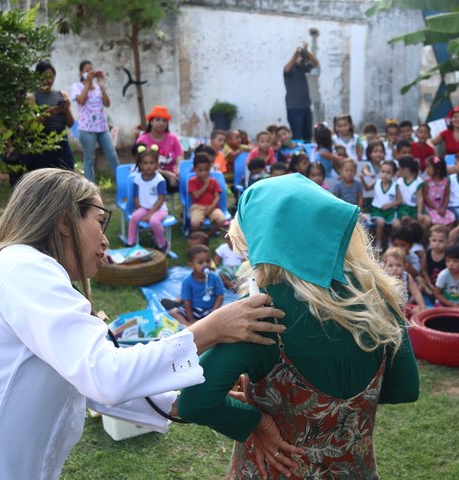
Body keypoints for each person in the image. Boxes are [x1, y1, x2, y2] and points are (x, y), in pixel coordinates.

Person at [0, 168, 287, 479]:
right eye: (101, 221)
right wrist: (211, 328)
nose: (105, 240)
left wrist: (191, 401)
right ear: (65, 220)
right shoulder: (26, 271)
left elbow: (96, 388)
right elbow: (105, 376)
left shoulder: (26, 276)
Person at [177, 173, 419, 479]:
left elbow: (193, 402)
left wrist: (255, 421)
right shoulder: (377, 298)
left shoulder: (262, 314)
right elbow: (405, 388)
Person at [71, 60, 120, 182]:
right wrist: (87, 83)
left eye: (91, 70)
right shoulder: (76, 87)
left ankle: (122, 186)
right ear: (81, 72)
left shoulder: (98, 87)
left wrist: (102, 86)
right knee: (89, 159)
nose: (90, 72)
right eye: (87, 70)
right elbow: (81, 101)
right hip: (86, 129)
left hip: (102, 128)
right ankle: (90, 190)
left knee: (113, 156)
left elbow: (107, 104)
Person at [25, 61, 75, 172]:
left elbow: (71, 123)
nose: (49, 81)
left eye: (52, 77)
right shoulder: (32, 97)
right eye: (46, 77)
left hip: (61, 139)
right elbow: (31, 126)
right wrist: (48, 114)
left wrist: (66, 109)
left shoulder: (61, 95)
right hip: (41, 141)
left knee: (68, 170)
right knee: (44, 174)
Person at [169, 245, 225, 327]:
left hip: (210, 311)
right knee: (173, 312)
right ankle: (188, 325)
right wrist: (191, 318)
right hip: (194, 310)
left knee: (226, 314)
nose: (205, 265)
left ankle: (202, 324)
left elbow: (220, 296)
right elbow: (187, 301)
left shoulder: (215, 277)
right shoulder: (187, 281)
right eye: (200, 262)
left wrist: (214, 312)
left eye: (208, 261)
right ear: (191, 265)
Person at [127, 145, 168, 251]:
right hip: (145, 208)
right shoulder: (137, 179)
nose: (148, 166)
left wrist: (150, 213)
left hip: (159, 209)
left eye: (151, 163)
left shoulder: (160, 180)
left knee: (153, 221)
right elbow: (135, 196)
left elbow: (161, 200)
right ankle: (131, 242)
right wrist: (139, 208)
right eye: (145, 163)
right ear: (140, 165)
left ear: (156, 165)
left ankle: (162, 243)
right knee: (134, 217)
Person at [135, 105, 184, 193]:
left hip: (172, 176)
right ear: (151, 122)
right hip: (149, 175)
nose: (161, 123)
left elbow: (179, 159)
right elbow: (141, 164)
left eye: (164, 121)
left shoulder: (173, 139)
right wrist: (166, 174)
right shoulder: (142, 140)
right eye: (158, 120)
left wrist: (179, 173)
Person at [283, 42, 319, 143]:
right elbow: (287, 69)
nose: (301, 59)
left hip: (306, 106)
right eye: (300, 58)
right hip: (294, 107)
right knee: (297, 135)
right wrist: (296, 54)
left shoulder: (302, 68)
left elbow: (315, 63)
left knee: (308, 134)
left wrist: (306, 51)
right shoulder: (290, 69)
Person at [365, 160, 401, 251]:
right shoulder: (377, 182)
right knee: (380, 222)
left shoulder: (395, 185)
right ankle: (378, 242)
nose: (385, 174)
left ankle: (391, 242)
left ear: (393, 174)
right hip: (377, 210)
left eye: (388, 173)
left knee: (397, 224)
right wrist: (363, 178)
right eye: (383, 171)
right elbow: (367, 188)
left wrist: (390, 205)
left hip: (390, 211)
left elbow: (399, 200)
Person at [188, 152, 227, 237]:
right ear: (195, 169)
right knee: (195, 224)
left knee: (223, 221)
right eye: (200, 170)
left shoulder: (214, 181)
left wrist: (212, 207)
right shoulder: (192, 181)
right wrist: (206, 184)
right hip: (197, 207)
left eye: (206, 170)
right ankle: (197, 237)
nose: (204, 173)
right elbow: (196, 196)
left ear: (210, 168)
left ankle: (208, 235)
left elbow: (217, 197)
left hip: (212, 207)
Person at [382, 247, 426, 318]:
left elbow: (416, 293)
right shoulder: (384, 277)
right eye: (390, 266)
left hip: (404, 308)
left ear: (405, 266)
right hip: (388, 309)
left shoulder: (407, 276)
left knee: (417, 309)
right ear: (385, 266)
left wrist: (423, 307)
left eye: (398, 265)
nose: (395, 269)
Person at [422, 155, 456, 225]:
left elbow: (446, 195)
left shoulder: (446, 181)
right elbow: (425, 196)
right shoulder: (427, 181)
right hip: (430, 208)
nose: (426, 170)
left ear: (437, 169)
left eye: (429, 167)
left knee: (450, 218)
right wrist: (435, 208)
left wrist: (443, 207)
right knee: (435, 220)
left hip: (441, 208)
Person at [421, 224, 448, 298]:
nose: (437, 244)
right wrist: (429, 284)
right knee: (420, 280)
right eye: (434, 240)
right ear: (429, 240)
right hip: (431, 284)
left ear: (446, 241)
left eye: (441, 241)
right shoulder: (427, 254)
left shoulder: (448, 255)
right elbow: (424, 271)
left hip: (444, 286)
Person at [396, 156, 424, 223]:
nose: (398, 171)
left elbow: (420, 198)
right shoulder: (399, 182)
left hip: (415, 208)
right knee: (406, 220)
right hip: (403, 208)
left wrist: (419, 213)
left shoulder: (418, 181)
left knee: (426, 220)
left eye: (400, 168)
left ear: (406, 169)